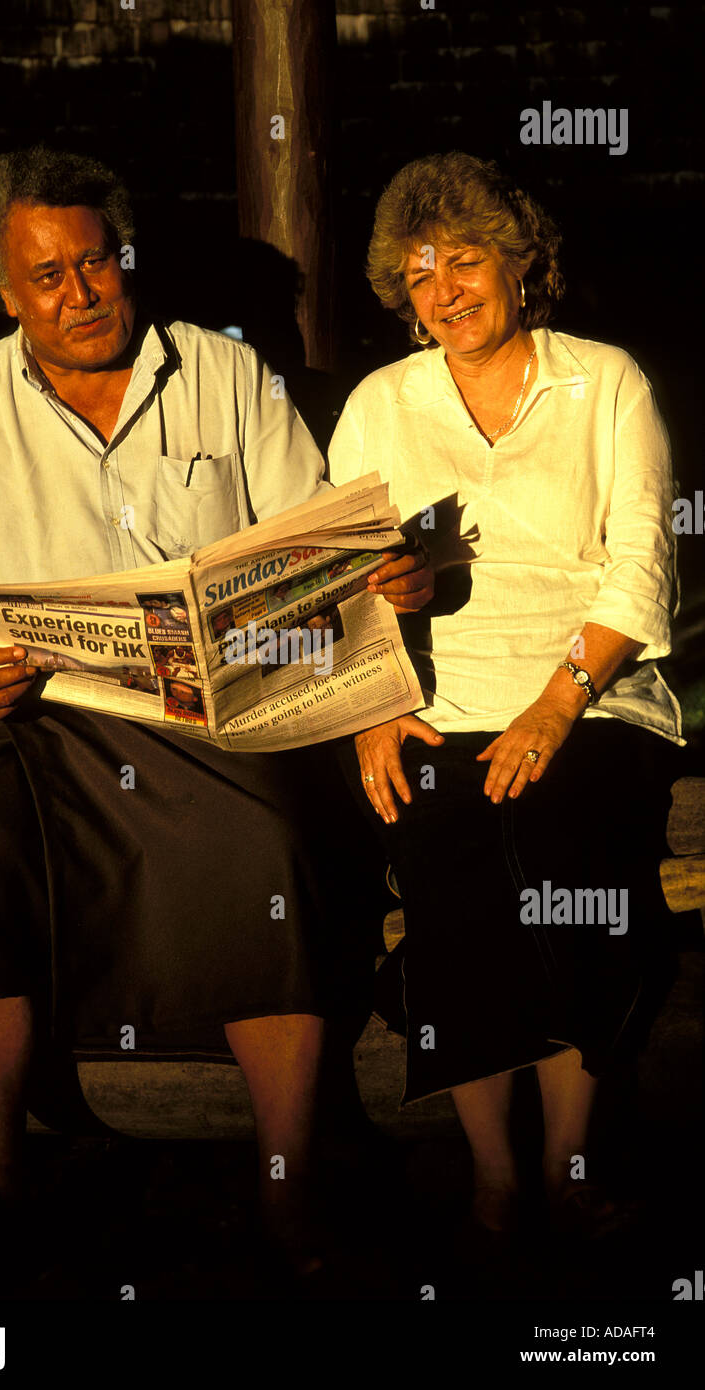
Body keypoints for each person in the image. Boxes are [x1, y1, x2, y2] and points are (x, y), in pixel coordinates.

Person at [0, 146, 432, 1289]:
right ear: (4, 290)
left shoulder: (223, 377)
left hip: (201, 712)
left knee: (268, 842)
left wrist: (364, 583)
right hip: (30, 705)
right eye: (48, 277)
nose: (80, 294)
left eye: (97, 264)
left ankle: (288, 1185)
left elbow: (303, 544)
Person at [329, 151, 683, 1247]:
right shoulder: (381, 405)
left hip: (591, 684)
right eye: (418, 272)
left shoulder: (604, 380)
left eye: (465, 261)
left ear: (522, 264)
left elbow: (640, 567)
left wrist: (556, 702)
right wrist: (376, 703)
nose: (442, 289)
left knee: (563, 830)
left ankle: (568, 1164)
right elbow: (330, 579)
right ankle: (491, 1172)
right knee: (445, 846)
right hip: (436, 691)